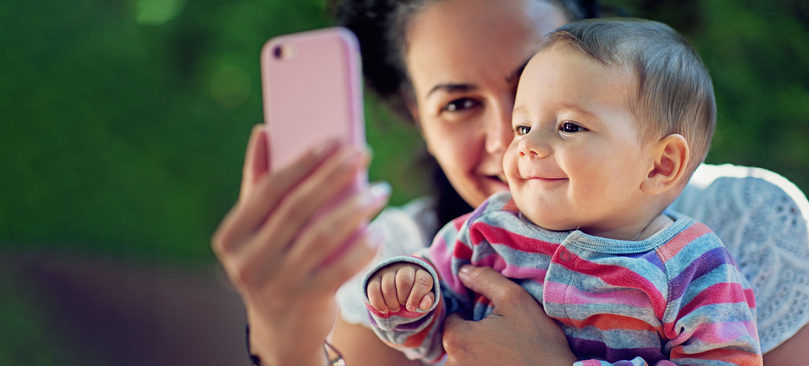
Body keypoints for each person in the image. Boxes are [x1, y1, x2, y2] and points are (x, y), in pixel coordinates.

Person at [212, 0, 809, 364]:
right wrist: (402, 299)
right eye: (459, 104)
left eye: (567, 119)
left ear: (660, 163)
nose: (512, 141)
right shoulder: (477, 234)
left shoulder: (708, 255)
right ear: (415, 115)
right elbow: (427, 312)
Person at [363, 18, 760, 365]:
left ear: (661, 164)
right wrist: (409, 295)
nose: (526, 145)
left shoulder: (692, 268)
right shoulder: (487, 228)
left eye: (569, 126)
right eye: (524, 127)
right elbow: (430, 338)